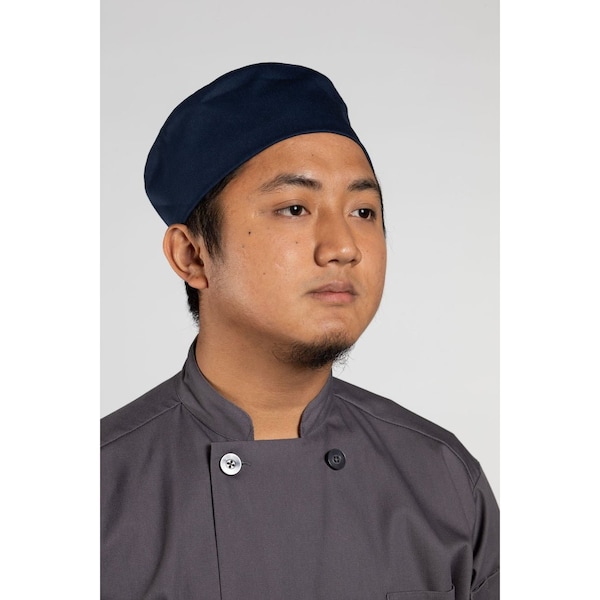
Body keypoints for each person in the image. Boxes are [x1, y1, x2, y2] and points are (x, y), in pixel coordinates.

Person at [101, 63, 499, 600]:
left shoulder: (443, 480)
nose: (343, 246)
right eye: (295, 208)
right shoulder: (97, 491)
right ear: (192, 255)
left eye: (363, 211)